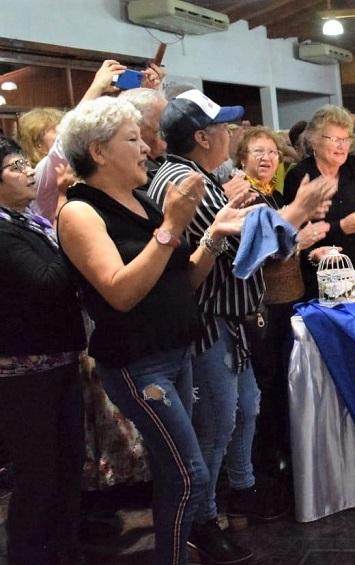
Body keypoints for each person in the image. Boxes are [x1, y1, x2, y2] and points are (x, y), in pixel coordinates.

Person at [56, 96, 251, 565]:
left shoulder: (140, 199)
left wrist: (214, 235)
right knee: (190, 477)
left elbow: (184, 278)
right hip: (138, 362)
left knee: (174, 475)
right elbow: (119, 293)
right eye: (132, 139)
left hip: (176, 352)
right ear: (99, 152)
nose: (147, 146)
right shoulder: (80, 212)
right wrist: (171, 226)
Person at [149, 90, 333, 560]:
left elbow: (247, 233)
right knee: (216, 422)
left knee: (245, 407)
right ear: (201, 136)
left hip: (230, 322)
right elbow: (243, 254)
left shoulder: (204, 176)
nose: (232, 134)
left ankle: (240, 488)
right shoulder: (185, 182)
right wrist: (298, 210)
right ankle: (202, 519)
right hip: (210, 323)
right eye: (224, 127)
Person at [0, 135, 87, 565]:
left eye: (24, 162)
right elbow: (48, 283)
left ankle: (64, 551)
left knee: (68, 467)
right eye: (15, 166)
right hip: (24, 374)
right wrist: (73, 227)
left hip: (59, 361)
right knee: (38, 475)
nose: (29, 170)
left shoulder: (26, 221)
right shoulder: (3, 230)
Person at [232, 126, 328, 477]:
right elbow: (258, 254)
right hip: (264, 305)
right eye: (257, 152)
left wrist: (311, 249)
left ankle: (282, 456)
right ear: (241, 159)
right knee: (267, 384)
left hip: (289, 297)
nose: (266, 158)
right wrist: (301, 239)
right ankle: (262, 468)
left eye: (272, 152)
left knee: (283, 381)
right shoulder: (245, 198)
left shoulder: (270, 195)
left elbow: (287, 247)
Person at [283, 105, 355, 283]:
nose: (342, 146)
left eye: (346, 139)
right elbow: (297, 232)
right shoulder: (298, 176)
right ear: (314, 140)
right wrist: (342, 226)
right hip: (322, 277)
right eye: (334, 139)